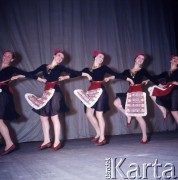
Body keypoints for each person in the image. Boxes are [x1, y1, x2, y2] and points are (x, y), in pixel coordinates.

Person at [27, 49, 91, 151]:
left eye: (62, 58)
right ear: (54, 55)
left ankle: (57, 142)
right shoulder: (44, 66)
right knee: (43, 117)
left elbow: (76, 73)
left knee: (54, 116)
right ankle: (46, 141)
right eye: (59, 56)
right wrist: (39, 79)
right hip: (46, 93)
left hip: (56, 92)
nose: (60, 58)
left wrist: (67, 77)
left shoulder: (60, 67)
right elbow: (31, 73)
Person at [78, 50, 133, 146]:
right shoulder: (88, 69)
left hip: (100, 92)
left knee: (99, 115)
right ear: (95, 57)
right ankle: (98, 133)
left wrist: (127, 78)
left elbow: (116, 74)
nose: (101, 59)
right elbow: (76, 73)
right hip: (90, 92)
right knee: (89, 113)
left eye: (103, 58)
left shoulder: (103, 68)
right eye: (100, 57)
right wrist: (66, 77)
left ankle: (102, 137)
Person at [109, 52, 159, 144]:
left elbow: (153, 78)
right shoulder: (127, 71)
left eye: (142, 59)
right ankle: (128, 114)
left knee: (138, 117)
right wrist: (110, 78)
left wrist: (160, 84)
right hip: (129, 92)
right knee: (116, 102)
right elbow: (119, 75)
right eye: (139, 58)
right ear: (135, 59)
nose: (140, 59)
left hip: (138, 93)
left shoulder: (143, 71)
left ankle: (144, 137)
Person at [0, 50, 42, 156]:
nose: (6, 57)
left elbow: (27, 74)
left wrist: (39, 79)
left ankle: (9, 143)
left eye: (9, 56)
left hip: (3, 93)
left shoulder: (11, 68)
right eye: (5, 55)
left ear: (12, 59)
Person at [150, 55, 178, 124]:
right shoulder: (166, 73)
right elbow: (156, 77)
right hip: (168, 92)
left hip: (175, 91)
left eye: (177, 59)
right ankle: (164, 110)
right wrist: (148, 79)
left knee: (174, 111)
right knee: (152, 93)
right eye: (174, 58)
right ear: (170, 60)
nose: (175, 59)